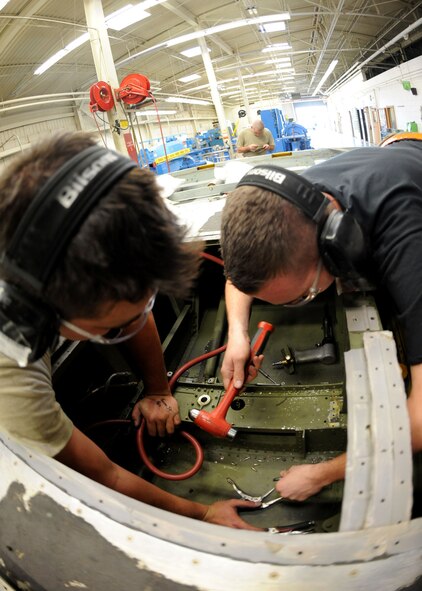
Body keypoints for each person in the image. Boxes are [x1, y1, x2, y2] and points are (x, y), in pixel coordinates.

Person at [0, 131, 260, 529]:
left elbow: (132, 306)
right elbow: (101, 475)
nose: (135, 322)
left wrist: (158, 388)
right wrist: (203, 512)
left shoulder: (39, 254)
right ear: (36, 313)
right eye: (114, 328)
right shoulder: (12, 375)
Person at [220, 136, 422, 501]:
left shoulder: (407, 240)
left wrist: (323, 474)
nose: (299, 304)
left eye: (303, 296)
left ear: (337, 248)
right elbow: (238, 280)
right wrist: (237, 335)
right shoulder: (297, 202)